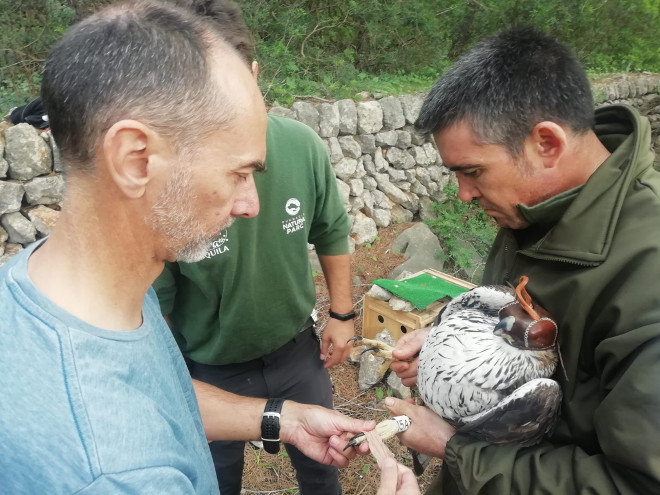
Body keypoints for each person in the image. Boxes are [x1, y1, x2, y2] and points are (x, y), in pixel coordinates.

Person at [0, 2, 375, 493]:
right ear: (136, 159)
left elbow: (160, 397)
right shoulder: (118, 474)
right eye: (237, 173)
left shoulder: (60, 293)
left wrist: (282, 420)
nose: (250, 205)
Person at [384, 26, 660, 494]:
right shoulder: (535, 209)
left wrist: (455, 450)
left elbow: (634, 483)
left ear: (547, 143)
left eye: (473, 172)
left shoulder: (645, 273)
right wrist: (448, 348)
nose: (464, 194)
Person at [153, 1, 355, 493]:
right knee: (215, 479)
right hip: (210, 365)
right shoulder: (169, 179)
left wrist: (343, 316)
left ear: (255, 75)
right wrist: (174, 377)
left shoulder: (301, 145)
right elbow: (157, 299)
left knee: (324, 466)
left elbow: (330, 228)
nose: (248, 203)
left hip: (296, 352)